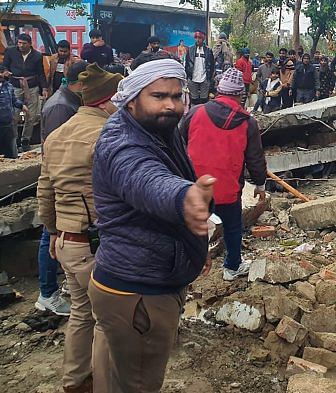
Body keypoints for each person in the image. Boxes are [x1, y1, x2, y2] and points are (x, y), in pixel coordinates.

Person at [89, 55, 213, 392]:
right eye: (158, 96)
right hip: (137, 291)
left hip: (139, 279)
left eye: (177, 96)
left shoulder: (157, 128)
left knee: (121, 380)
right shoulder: (123, 144)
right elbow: (147, 179)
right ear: (131, 101)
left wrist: (193, 242)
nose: (170, 106)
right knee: (139, 386)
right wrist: (184, 198)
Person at [37, 63, 122, 393]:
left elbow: (44, 192)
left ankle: (73, 382)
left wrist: (52, 234)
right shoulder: (106, 135)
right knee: (107, 321)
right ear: (107, 100)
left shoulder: (57, 136)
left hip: (67, 242)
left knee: (80, 314)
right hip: (96, 244)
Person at [182, 68, 267, 281]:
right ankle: (232, 266)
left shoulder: (195, 113)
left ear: (218, 90)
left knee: (189, 227)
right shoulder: (248, 123)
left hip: (194, 187)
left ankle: (187, 267)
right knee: (232, 227)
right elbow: (255, 158)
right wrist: (260, 185)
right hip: (227, 189)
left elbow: (178, 144)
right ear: (240, 94)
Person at [34, 61, 86, 318]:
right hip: (61, 183)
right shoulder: (61, 107)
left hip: (65, 181)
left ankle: (59, 285)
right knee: (50, 235)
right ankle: (47, 294)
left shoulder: (70, 101)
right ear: (80, 83)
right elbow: (58, 152)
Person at [2, 33, 47, 151]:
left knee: (31, 115)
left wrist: (45, 88)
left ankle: (26, 140)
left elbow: (40, 73)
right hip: (15, 85)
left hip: (32, 86)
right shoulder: (10, 52)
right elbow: (4, 66)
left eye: (24, 43)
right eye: (19, 43)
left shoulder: (37, 55)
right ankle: (14, 140)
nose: (21, 45)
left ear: (30, 44)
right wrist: (6, 72)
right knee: (14, 114)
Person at [0, 64, 26, 158]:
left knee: (11, 147)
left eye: (1, 72)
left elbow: (14, 100)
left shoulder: (9, 86)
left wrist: (22, 105)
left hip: (8, 121)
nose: (0, 75)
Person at [185, 31, 214, 106]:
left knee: (204, 100)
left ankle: (203, 115)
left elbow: (211, 65)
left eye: (200, 38)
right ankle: (194, 115)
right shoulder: (190, 49)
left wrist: (209, 78)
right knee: (194, 100)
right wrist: (188, 76)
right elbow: (187, 64)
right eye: (196, 38)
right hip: (193, 78)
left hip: (204, 78)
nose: (198, 40)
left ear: (203, 39)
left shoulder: (208, 51)